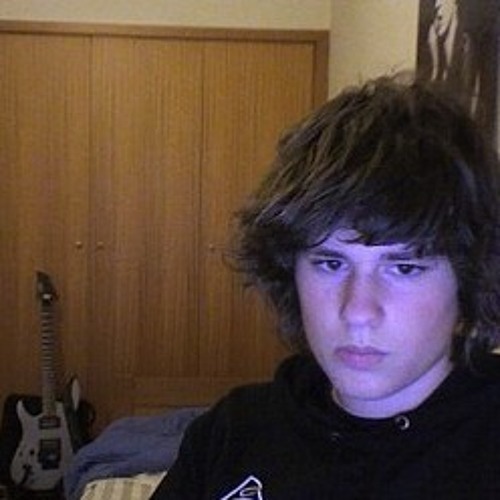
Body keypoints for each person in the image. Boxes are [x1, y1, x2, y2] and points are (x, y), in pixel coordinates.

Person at [151, 75, 500, 499]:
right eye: (331, 263)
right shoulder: (230, 433)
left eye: (404, 268)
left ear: (469, 280)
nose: (357, 311)